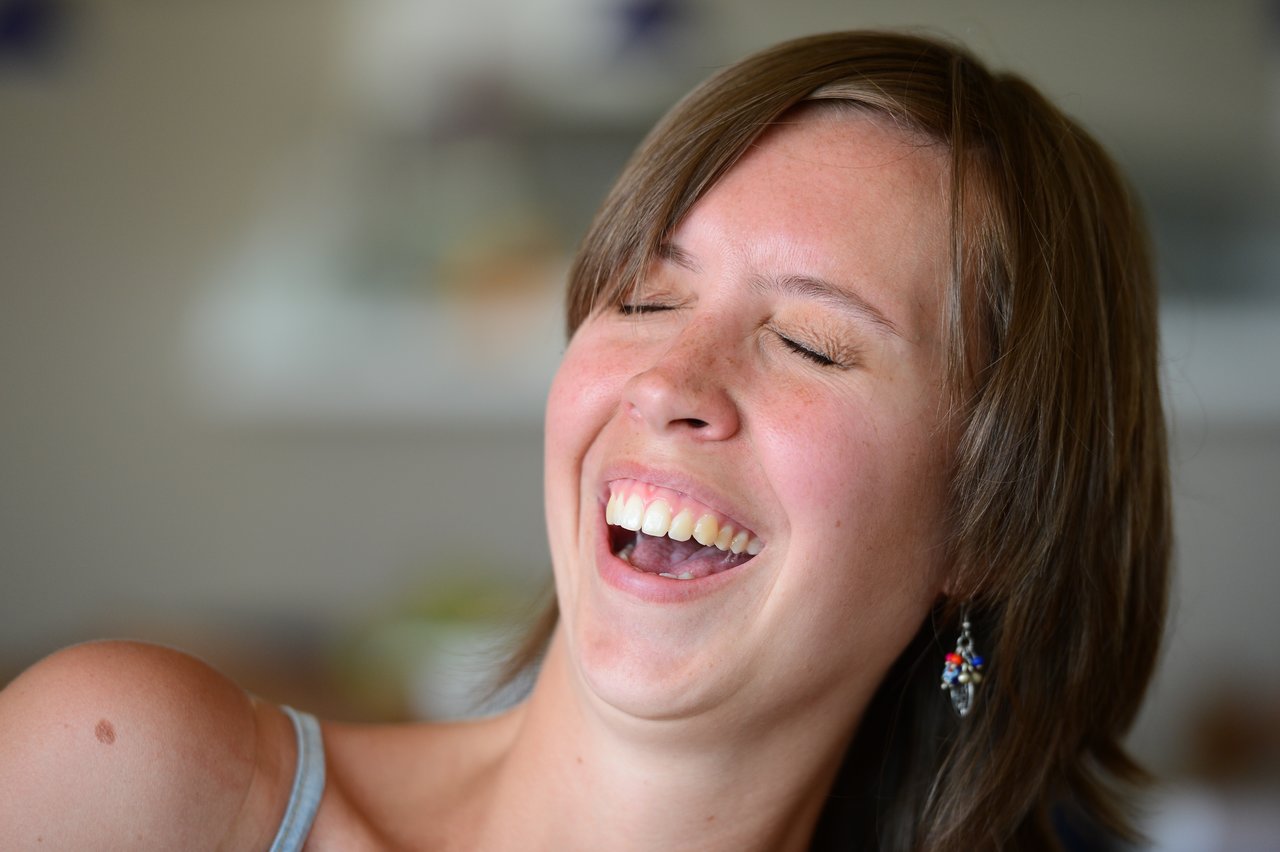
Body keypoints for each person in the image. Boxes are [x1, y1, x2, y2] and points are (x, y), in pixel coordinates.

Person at [0, 30, 1169, 851]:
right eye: (645, 299)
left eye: (811, 342)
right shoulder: (131, 779)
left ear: (987, 522)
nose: (667, 381)